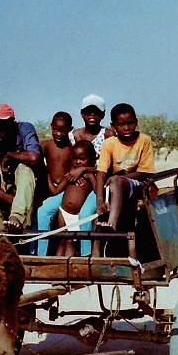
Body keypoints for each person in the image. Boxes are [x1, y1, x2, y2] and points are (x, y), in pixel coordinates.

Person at [94, 102, 156, 255]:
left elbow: (144, 172)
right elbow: (101, 172)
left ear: (136, 122)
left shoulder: (144, 140)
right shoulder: (109, 143)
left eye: (130, 123)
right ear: (113, 126)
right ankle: (96, 253)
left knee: (116, 181)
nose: (126, 128)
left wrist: (121, 178)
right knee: (110, 188)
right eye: (121, 125)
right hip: (118, 185)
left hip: (138, 183)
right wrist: (99, 200)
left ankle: (112, 225)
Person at [0, 103, 41, 233]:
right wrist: (12, 201)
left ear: (12, 124)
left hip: (25, 189)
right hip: (1, 192)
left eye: (1, 127)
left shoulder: (24, 129)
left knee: (25, 168)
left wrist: (10, 155)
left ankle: (17, 217)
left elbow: (34, 158)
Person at [69, 94, 115, 255]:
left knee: (86, 214)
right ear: (82, 114)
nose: (92, 116)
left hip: (99, 183)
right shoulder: (74, 135)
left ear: (103, 115)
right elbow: (71, 161)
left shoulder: (108, 135)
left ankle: (86, 255)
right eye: (88, 112)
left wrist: (85, 170)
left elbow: (109, 166)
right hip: (80, 182)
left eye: (96, 112)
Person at [34, 112, 74, 256]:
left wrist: (55, 188)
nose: (58, 134)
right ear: (51, 127)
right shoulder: (46, 145)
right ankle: (36, 252)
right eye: (55, 130)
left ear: (70, 129)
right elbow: (37, 163)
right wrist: (47, 181)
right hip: (47, 187)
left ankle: (43, 254)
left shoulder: (72, 149)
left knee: (48, 214)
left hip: (64, 189)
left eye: (63, 131)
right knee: (36, 213)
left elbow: (71, 173)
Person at [55, 140, 99, 257]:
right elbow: (57, 190)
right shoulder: (71, 174)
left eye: (82, 159)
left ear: (91, 159)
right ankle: (57, 265)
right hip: (63, 212)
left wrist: (90, 176)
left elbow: (97, 191)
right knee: (63, 241)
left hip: (78, 215)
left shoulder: (91, 175)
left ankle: (79, 265)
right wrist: (48, 175)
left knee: (72, 243)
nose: (78, 162)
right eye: (75, 159)